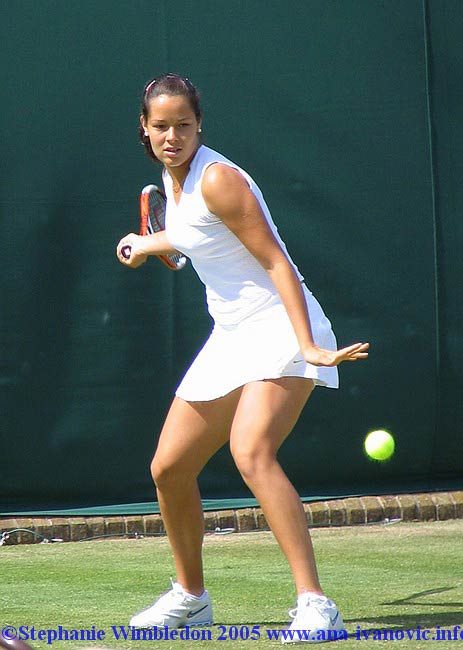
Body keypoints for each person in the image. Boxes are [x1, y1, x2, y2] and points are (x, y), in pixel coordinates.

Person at [116, 73, 369, 642]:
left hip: (280, 322)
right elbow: (188, 235)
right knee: (169, 468)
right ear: (145, 129)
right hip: (230, 333)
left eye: (184, 125)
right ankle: (191, 597)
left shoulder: (219, 179)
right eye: (162, 126)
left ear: (199, 124)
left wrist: (306, 346)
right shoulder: (170, 181)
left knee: (251, 450)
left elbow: (278, 263)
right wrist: (142, 245)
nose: (173, 136)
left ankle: (316, 603)